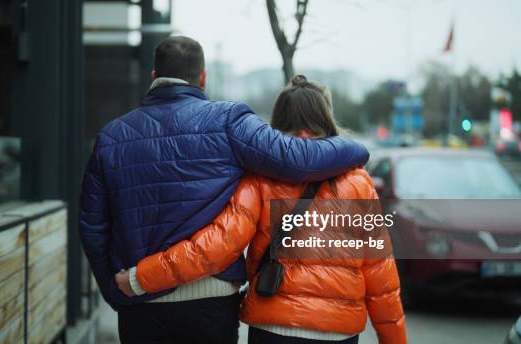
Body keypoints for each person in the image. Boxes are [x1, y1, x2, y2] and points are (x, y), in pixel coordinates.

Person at [79, 34, 369, 344]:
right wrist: (357, 150)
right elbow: (298, 158)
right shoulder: (228, 120)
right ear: (201, 78)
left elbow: (93, 228)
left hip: (139, 299)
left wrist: (116, 292)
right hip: (212, 301)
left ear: (153, 77)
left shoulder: (111, 137)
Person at [118, 75, 406, 344]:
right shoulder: (358, 182)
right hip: (339, 331)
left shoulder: (260, 179)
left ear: (278, 119)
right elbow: (381, 275)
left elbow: (216, 246)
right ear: (326, 117)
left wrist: (140, 277)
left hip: (274, 326)